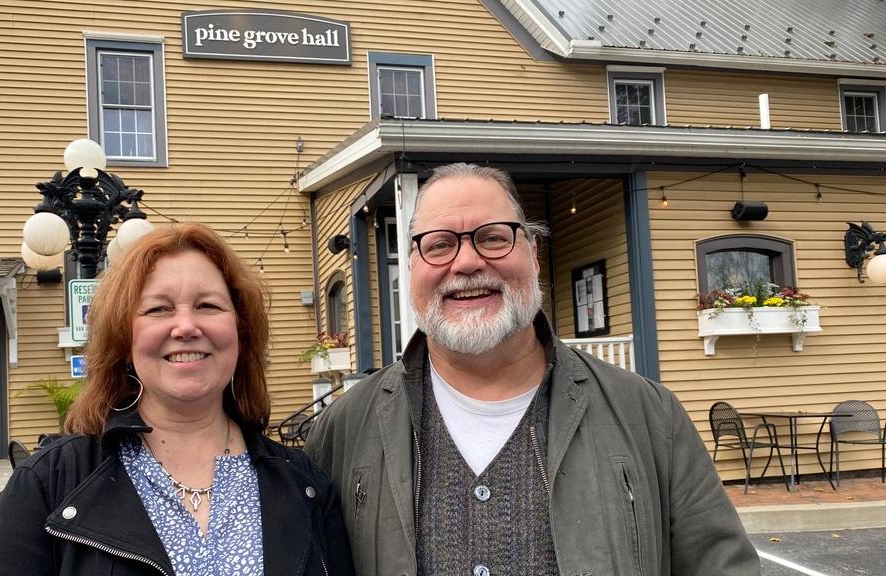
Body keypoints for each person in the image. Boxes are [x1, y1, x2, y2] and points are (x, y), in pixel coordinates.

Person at [304, 163, 758, 576]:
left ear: (533, 254)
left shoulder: (648, 415)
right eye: (439, 244)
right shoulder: (342, 432)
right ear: (413, 266)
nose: (466, 263)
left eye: (493, 237)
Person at [0, 223, 353, 576]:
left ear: (240, 334)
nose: (186, 327)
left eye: (208, 306)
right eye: (159, 309)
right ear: (124, 341)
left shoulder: (304, 483)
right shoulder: (50, 483)